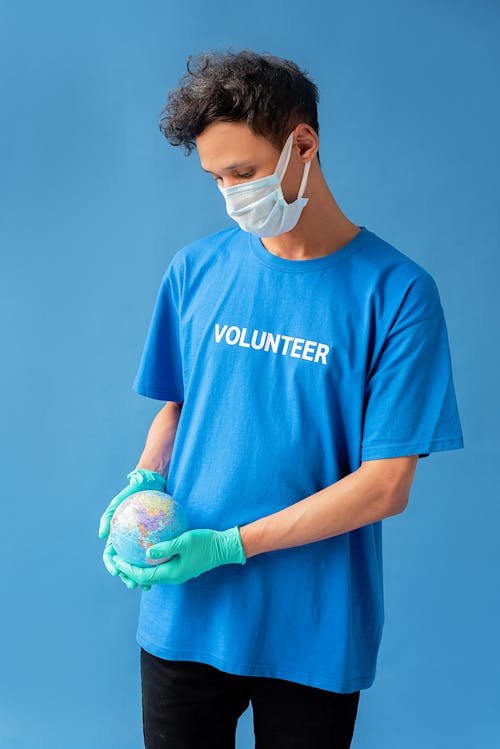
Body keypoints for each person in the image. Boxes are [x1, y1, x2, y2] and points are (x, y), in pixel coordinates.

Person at [98, 48, 464, 748]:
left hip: (312, 629)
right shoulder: (196, 269)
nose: (232, 193)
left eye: (245, 172)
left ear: (304, 143)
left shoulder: (398, 295)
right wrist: (142, 479)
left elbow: (385, 486)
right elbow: (177, 406)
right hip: (185, 611)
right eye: (216, 177)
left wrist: (230, 544)